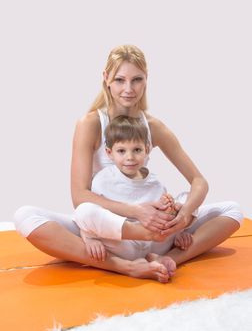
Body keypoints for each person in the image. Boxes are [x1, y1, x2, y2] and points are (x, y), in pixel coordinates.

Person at [14, 44, 243, 284]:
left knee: (232, 210)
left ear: (146, 80)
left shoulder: (153, 126)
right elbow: (79, 196)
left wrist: (183, 217)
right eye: (120, 80)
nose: (128, 89)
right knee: (26, 216)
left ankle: (170, 258)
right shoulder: (90, 124)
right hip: (107, 229)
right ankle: (126, 267)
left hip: (156, 233)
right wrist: (136, 212)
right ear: (106, 79)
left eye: (136, 80)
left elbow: (199, 181)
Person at [73, 115, 194, 269]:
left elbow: (161, 219)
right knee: (85, 210)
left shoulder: (156, 184)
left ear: (147, 149)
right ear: (110, 153)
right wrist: (89, 239)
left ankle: (155, 257)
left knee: (187, 198)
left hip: (156, 244)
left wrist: (177, 232)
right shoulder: (102, 180)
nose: (129, 157)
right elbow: (93, 219)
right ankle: (141, 261)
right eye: (121, 151)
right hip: (123, 245)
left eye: (137, 150)